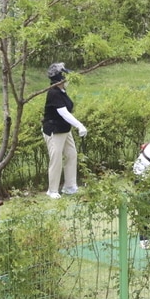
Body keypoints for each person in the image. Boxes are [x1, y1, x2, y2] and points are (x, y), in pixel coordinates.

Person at [41, 63, 87, 199]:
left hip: (65, 130)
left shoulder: (62, 91)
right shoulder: (53, 92)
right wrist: (80, 125)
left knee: (72, 154)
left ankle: (70, 186)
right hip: (54, 130)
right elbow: (64, 113)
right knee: (56, 159)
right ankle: (52, 190)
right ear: (60, 78)